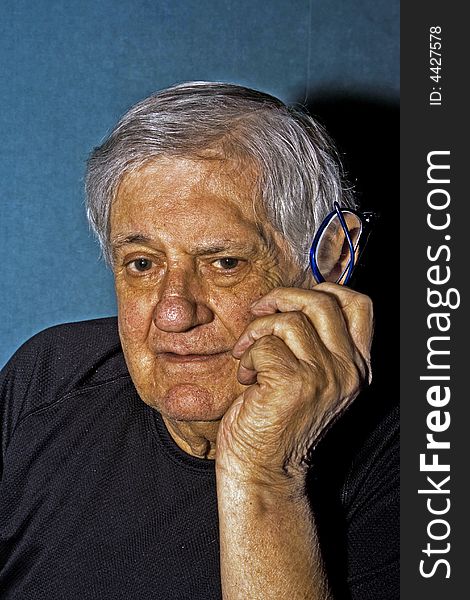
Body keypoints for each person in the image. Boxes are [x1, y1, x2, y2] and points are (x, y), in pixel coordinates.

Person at [0, 82, 398, 599]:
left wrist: (265, 476)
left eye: (224, 263)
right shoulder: (52, 378)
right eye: (142, 264)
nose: (172, 312)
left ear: (330, 256)